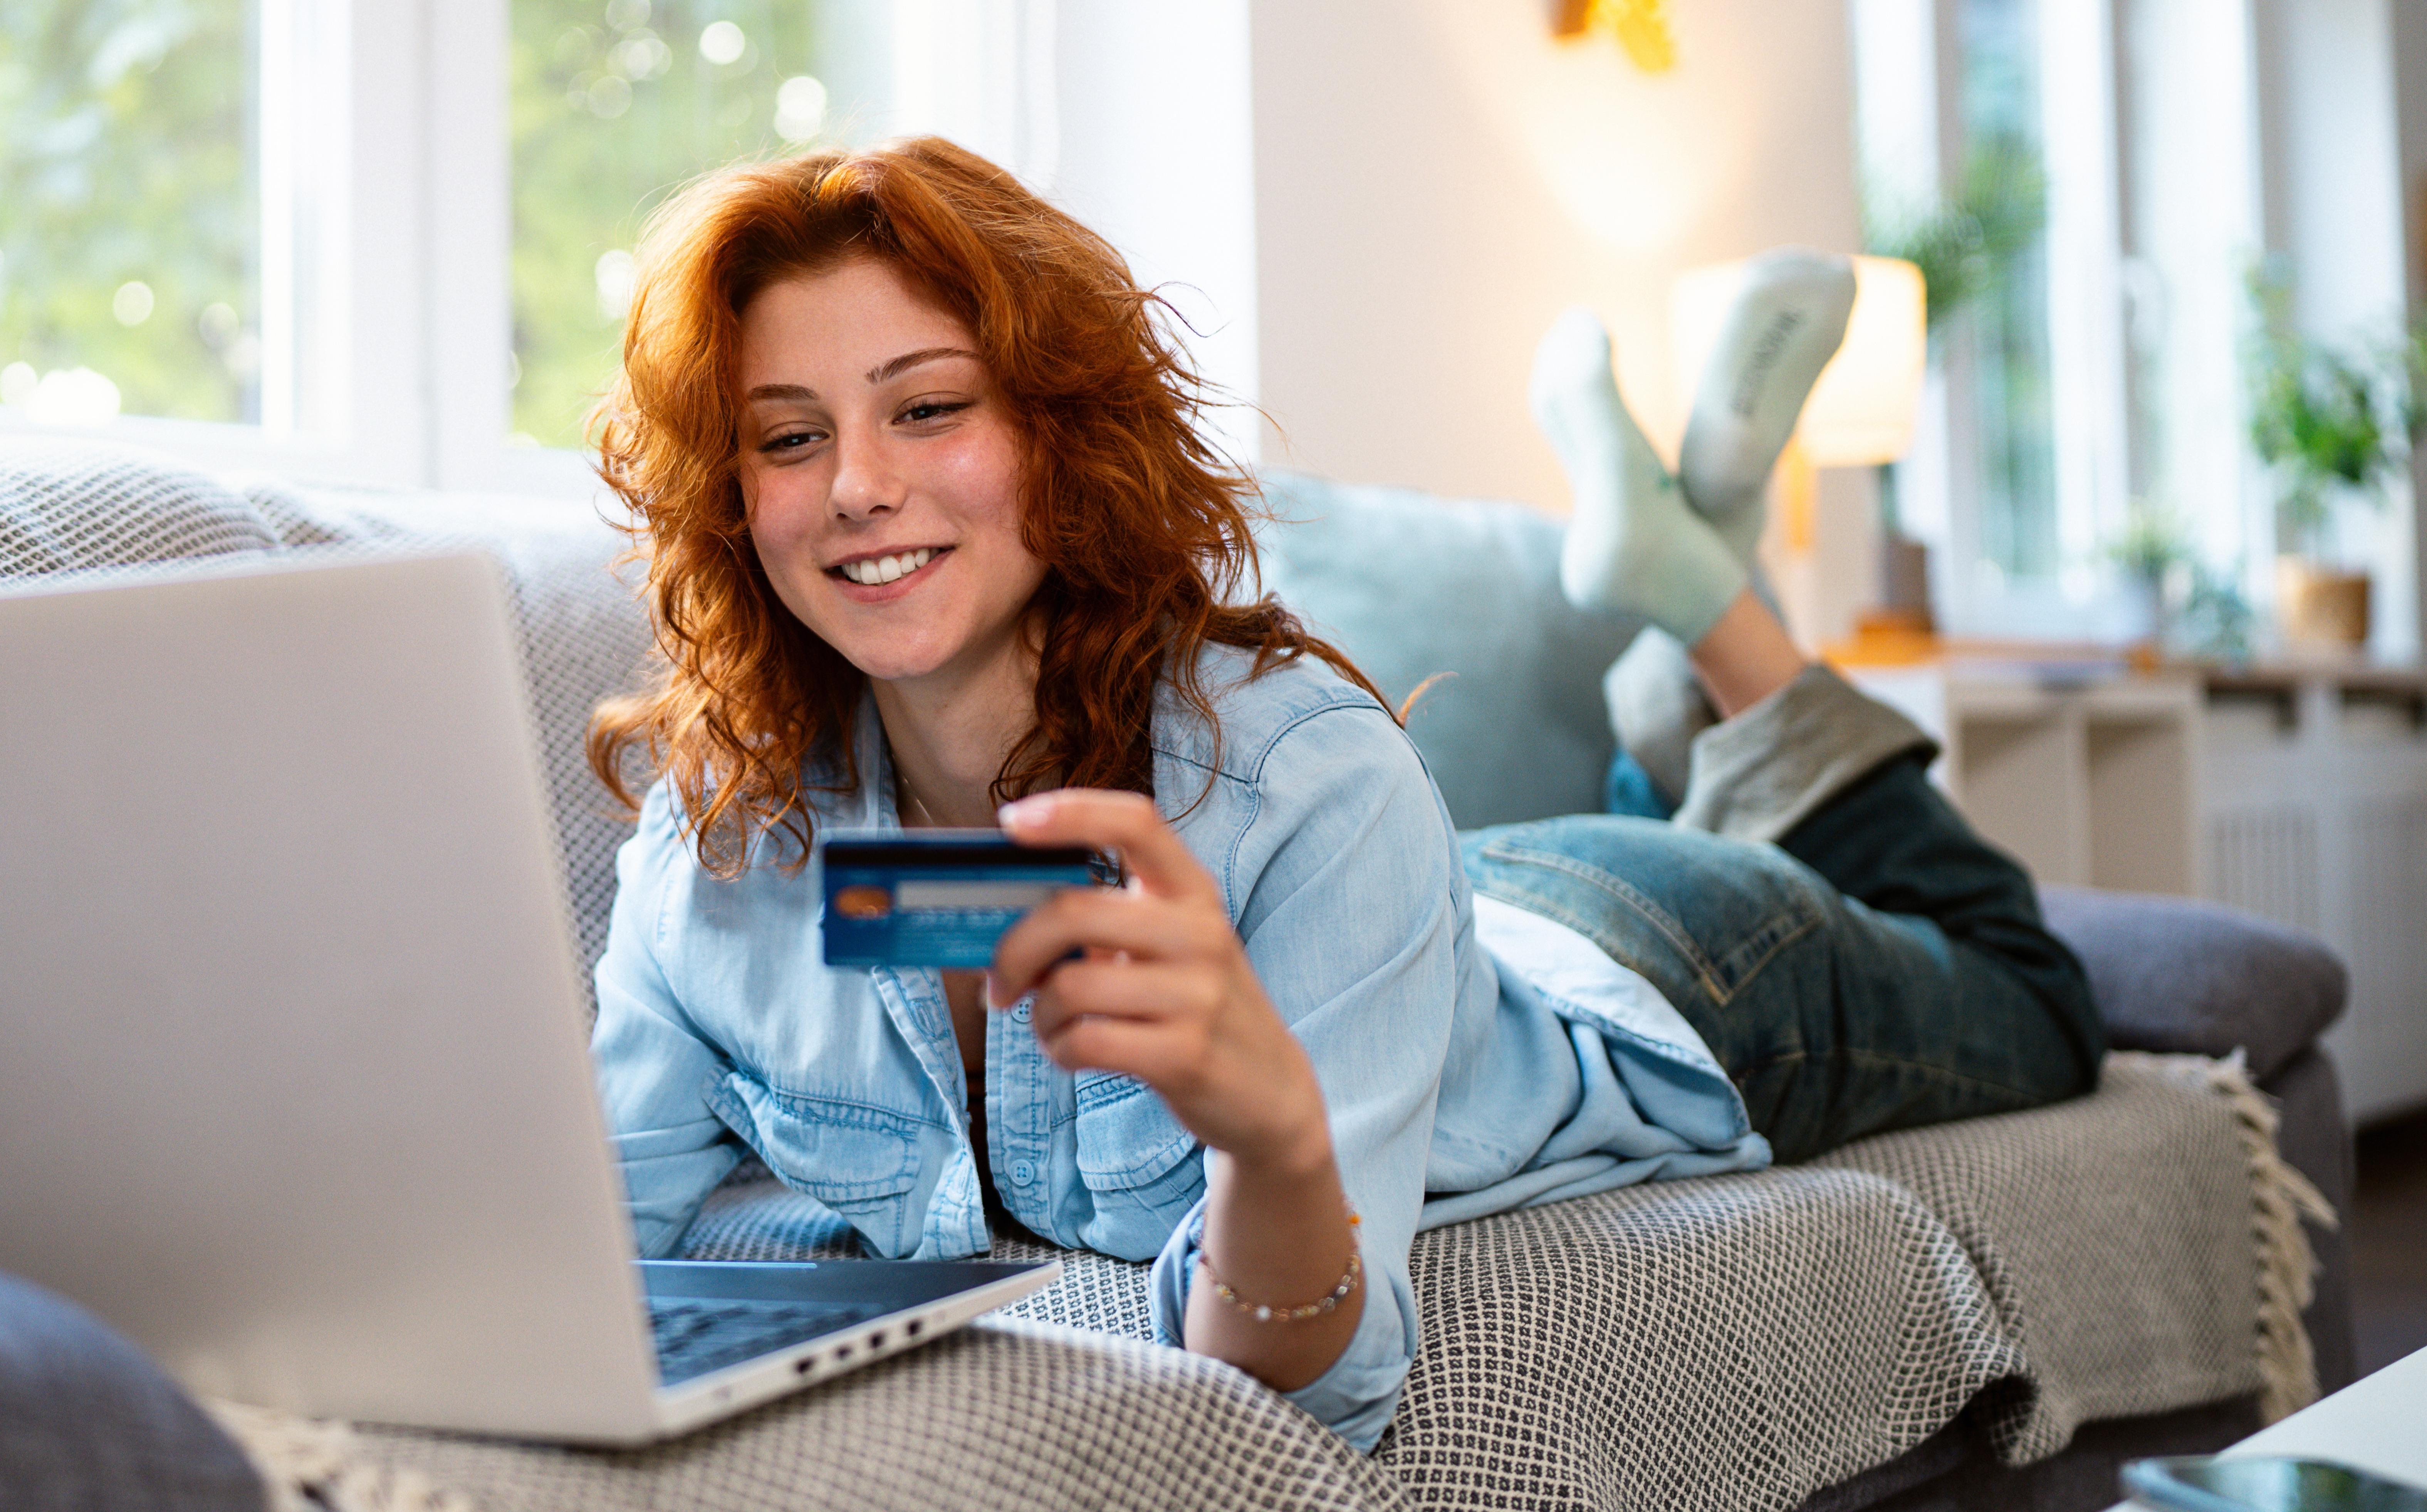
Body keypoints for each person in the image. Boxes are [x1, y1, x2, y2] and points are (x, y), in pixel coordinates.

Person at [581, 137, 2103, 1453]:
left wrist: (1277, 1147)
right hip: (1445, 906)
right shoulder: (715, 845)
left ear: (1061, 432)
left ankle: (1711, 615)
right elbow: (581, 1247)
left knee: (2027, 987)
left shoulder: (1297, 773)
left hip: (1665, 961)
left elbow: (1319, 1398)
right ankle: (1672, 638)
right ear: (735, 497)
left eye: (925, 408)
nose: (852, 482)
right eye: (788, 437)